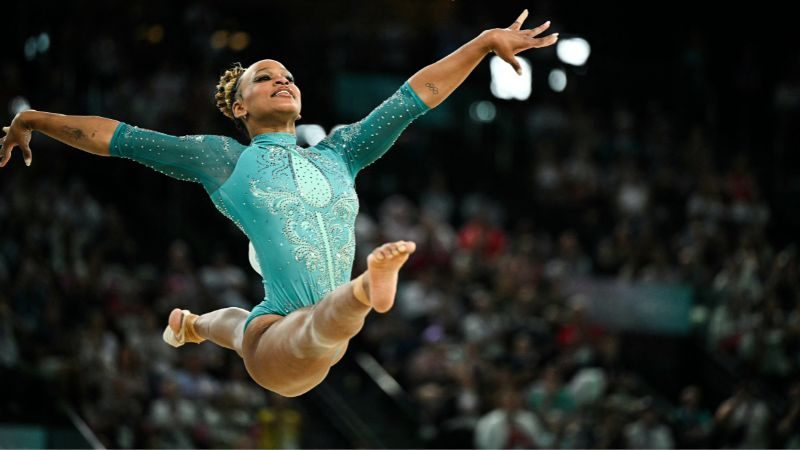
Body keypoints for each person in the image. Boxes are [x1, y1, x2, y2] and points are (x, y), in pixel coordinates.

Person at [1, 10, 557, 397]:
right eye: (263, 78)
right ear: (239, 108)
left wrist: (483, 43)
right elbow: (115, 137)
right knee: (312, 326)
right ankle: (367, 289)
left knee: (242, 328)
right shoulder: (223, 160)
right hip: (283, 343)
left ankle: (194, 325)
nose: (281, 81)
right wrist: (33, 120)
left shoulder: (340, 151)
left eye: (287, 76)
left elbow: (416, 96)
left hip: (289, 333)